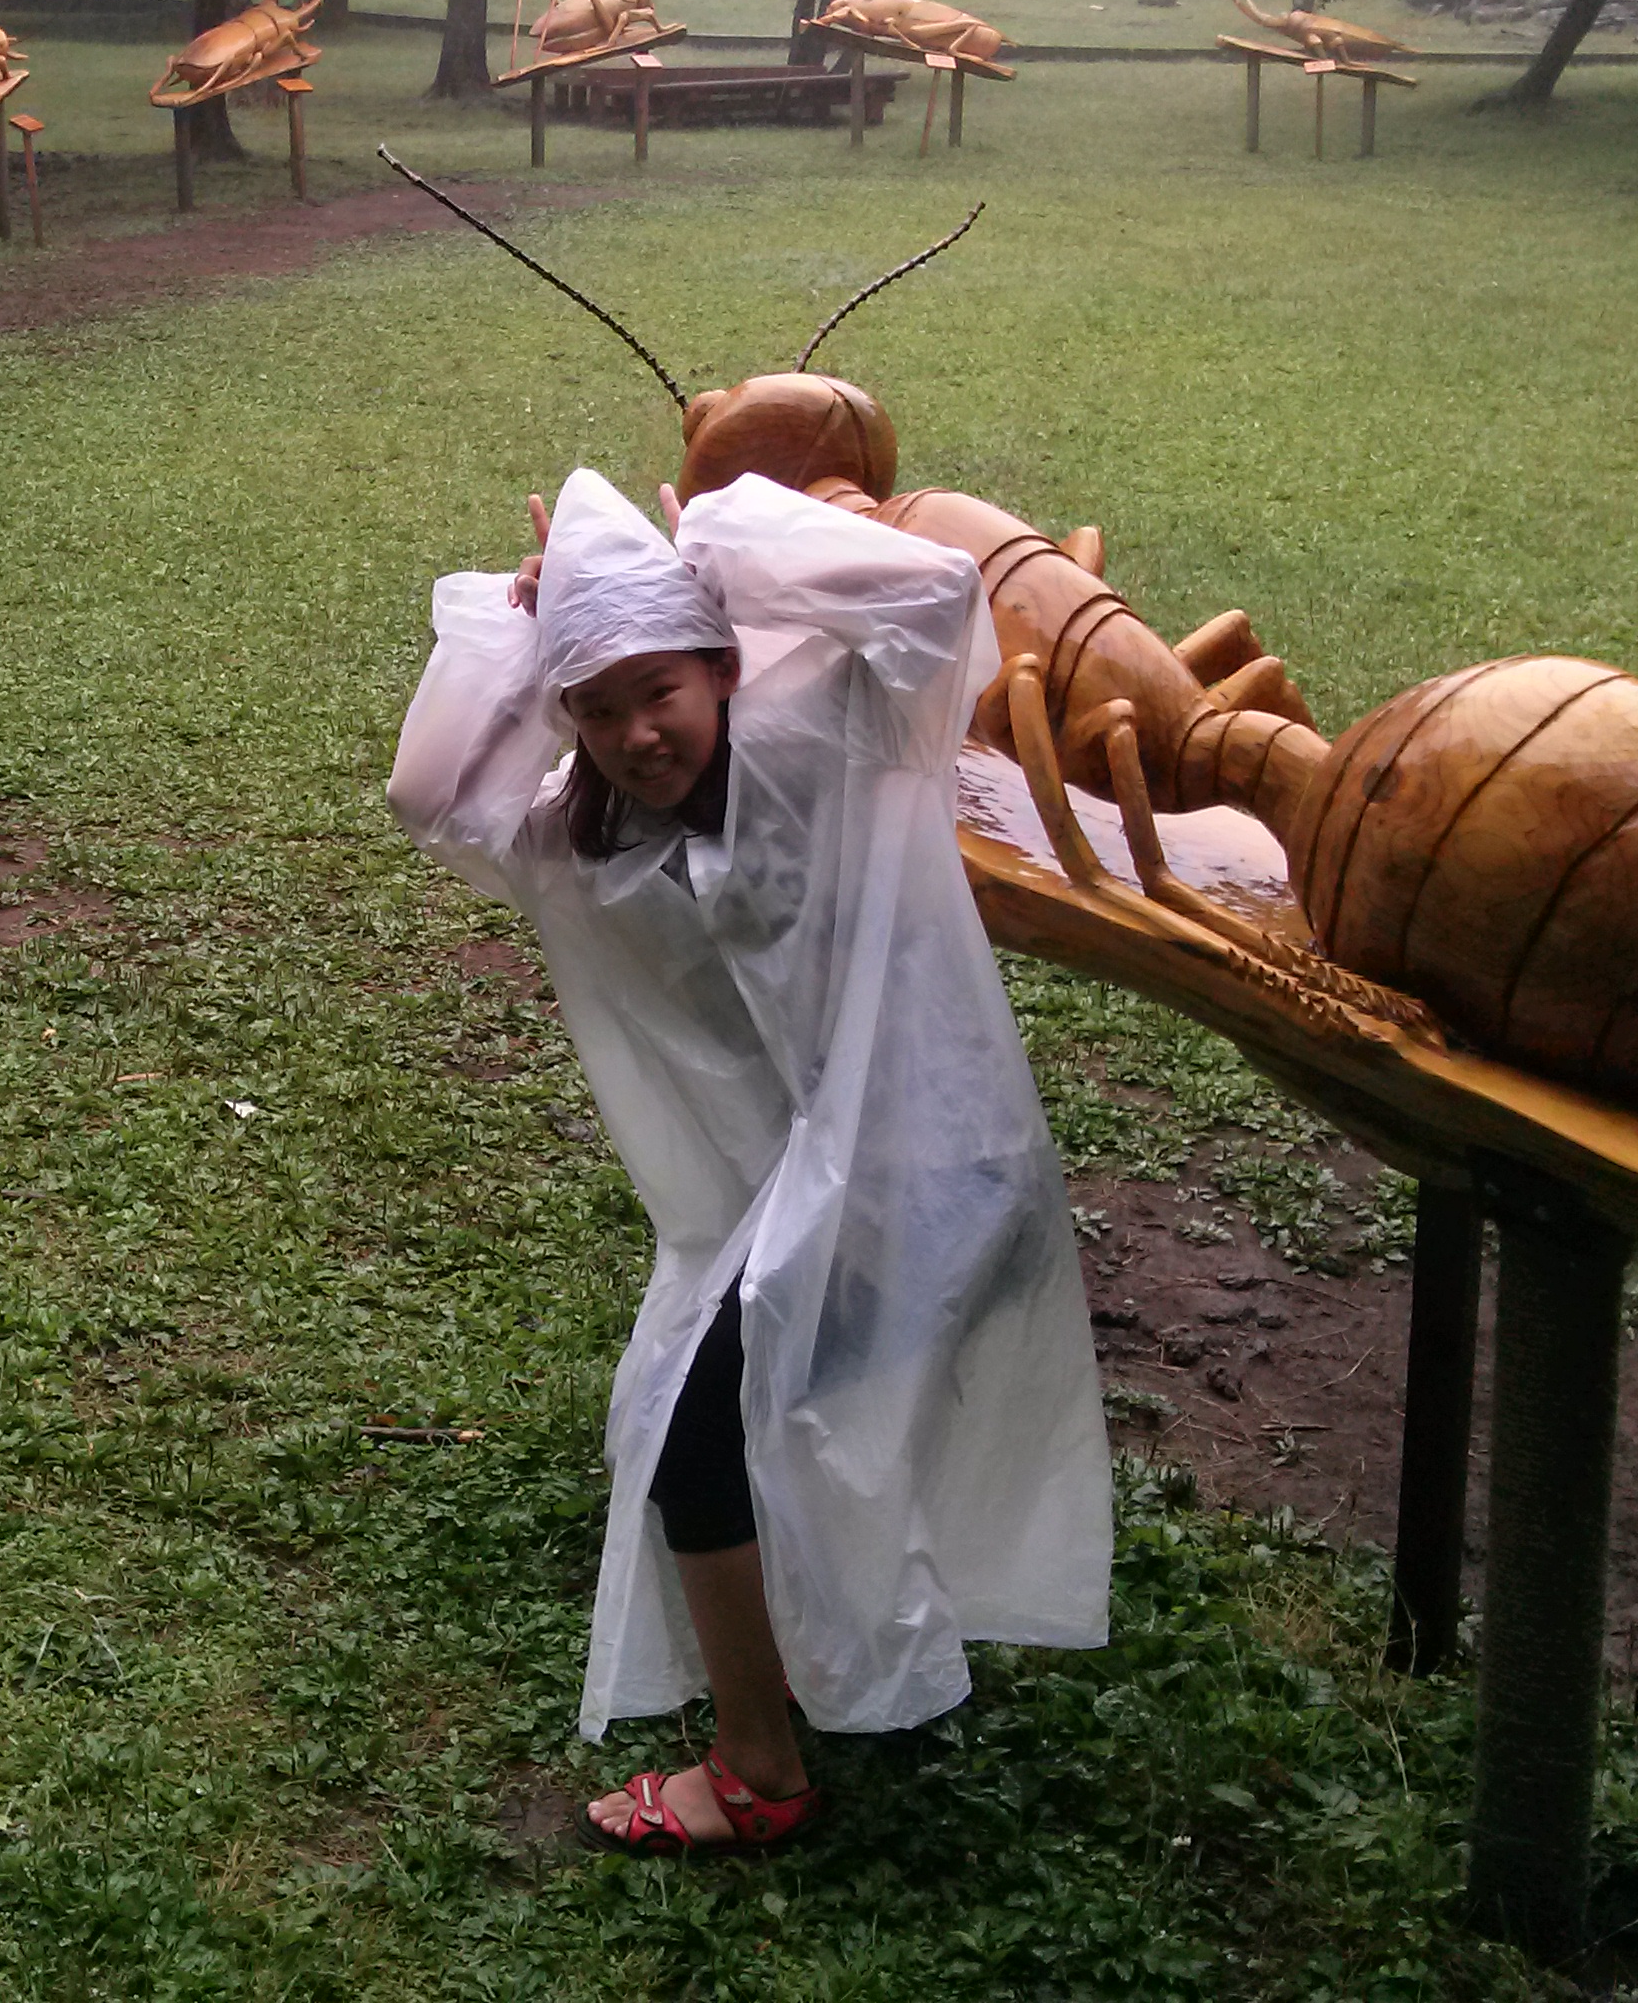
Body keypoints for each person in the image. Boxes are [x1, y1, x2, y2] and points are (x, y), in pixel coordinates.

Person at [388, 468, 1110, 1856]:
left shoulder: (831, 741)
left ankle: (761, 1768)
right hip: (796, 1204)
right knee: (718, 1413)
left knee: (706, 1437)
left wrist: (712, 546)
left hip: (939, 1181)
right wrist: (518, 621)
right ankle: (833, 1667)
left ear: (725, 663)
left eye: (657, 688)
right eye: (590, 708)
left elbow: (935, 597)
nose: (629, 734)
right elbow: (429, 792)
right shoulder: (583, 840)